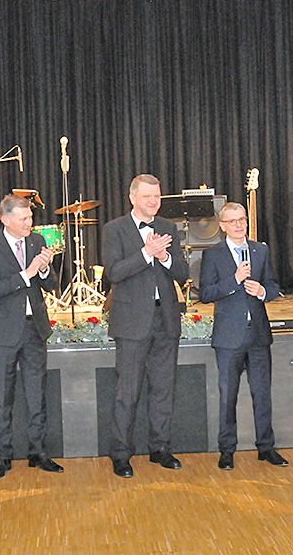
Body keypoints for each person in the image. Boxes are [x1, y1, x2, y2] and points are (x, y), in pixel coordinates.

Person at [103, 174, 190, 478]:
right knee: (127, 392)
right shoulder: (114, 229)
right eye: (147, 196)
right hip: (131, 323)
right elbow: (114, 272)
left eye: (157, 196)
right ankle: (120, 454)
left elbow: (182, 273)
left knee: (164, 389)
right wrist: (145, 254)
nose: (154, 201)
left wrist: (164, 256)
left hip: (165, 319)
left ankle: (160, 448)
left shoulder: (168, 227)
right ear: (132, 198)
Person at [0, 194, 63, 480]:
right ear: (6, 220)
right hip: (4, 332)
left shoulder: (37, 241)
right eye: (24, 218)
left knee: (37, 395)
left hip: (34, 328)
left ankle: (38, 453)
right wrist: (27, 273)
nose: (30, 223)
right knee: (2, 397)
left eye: (30, 217)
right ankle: (2, 457)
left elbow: (51, 285)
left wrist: (45, 268)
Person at [199, 202, 287, 470]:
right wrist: (234, 280)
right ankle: (227, 450)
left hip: (258, 336)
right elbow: (206, 293)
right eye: (233, 221)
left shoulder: (260, 250)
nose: (239, 225)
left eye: (242, 219)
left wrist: (262, 292)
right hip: (229, 338)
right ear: (222, 226)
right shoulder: (213, 255)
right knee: (228, 396)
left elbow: (273, 286)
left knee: (262, 394)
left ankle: (266, 447)